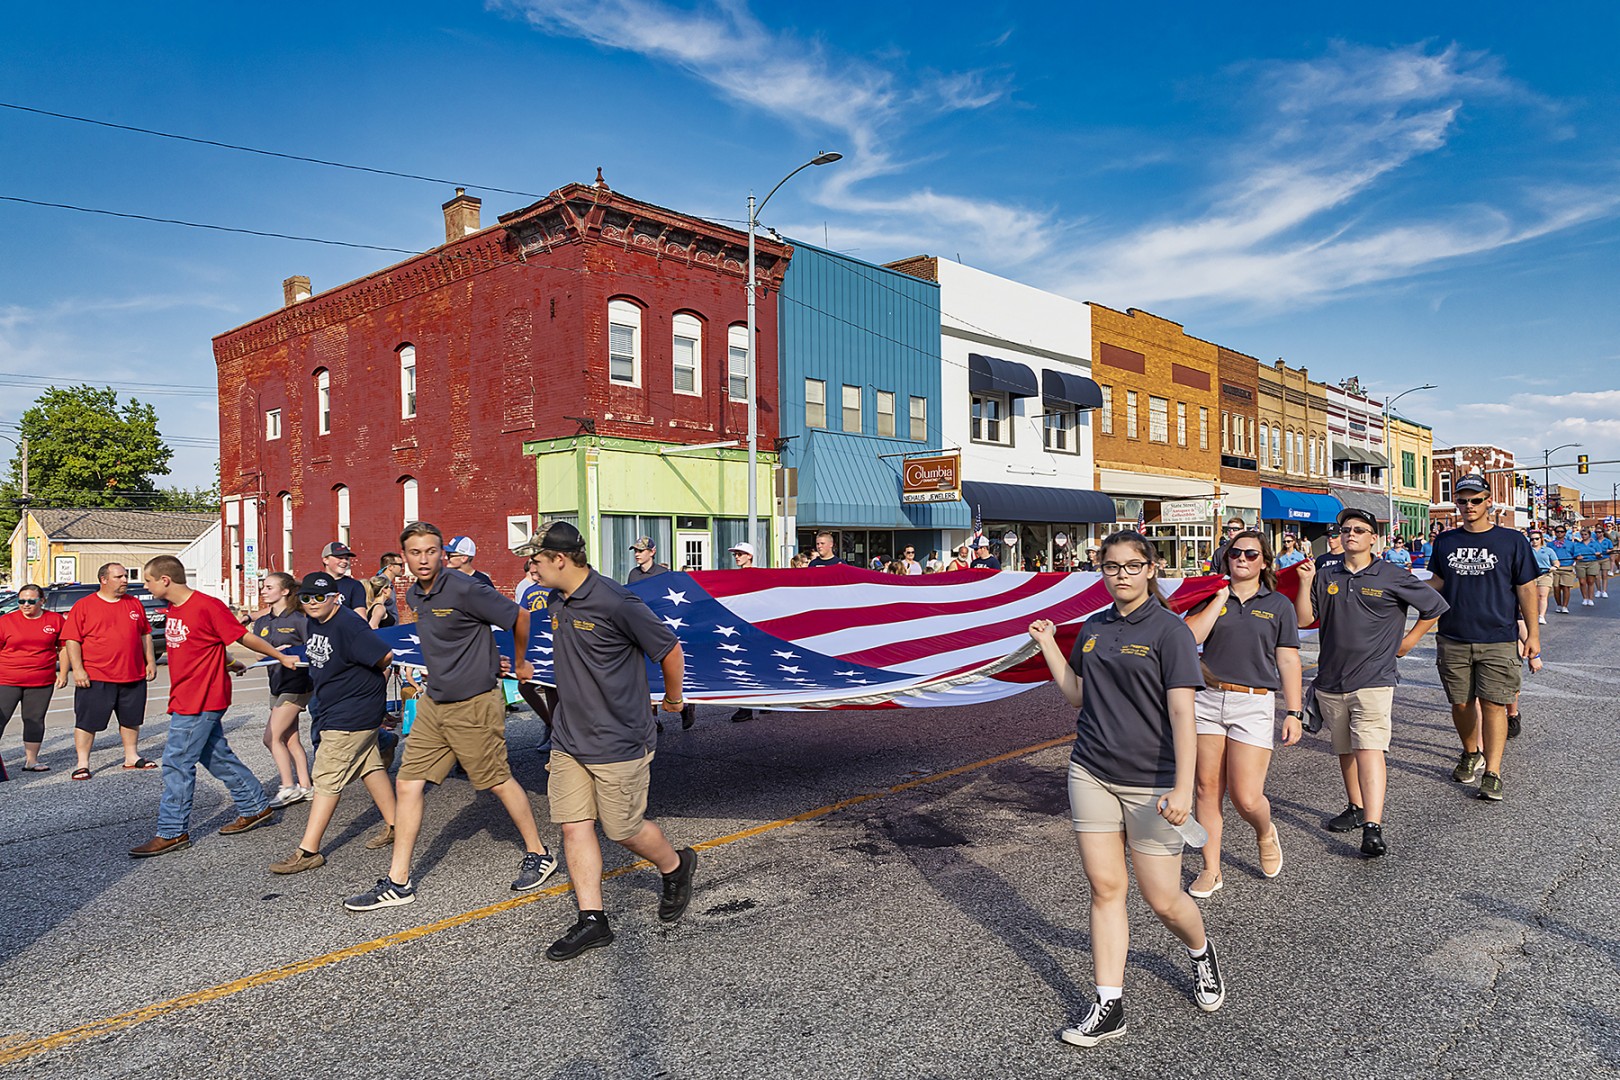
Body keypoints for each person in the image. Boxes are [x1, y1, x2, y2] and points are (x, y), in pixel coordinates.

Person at [1028, 530, 1224, 1048]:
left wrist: (1184, 789)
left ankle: (1201, 953)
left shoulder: (1170, 631)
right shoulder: (1094, 627)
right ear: (1102, 570)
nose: (1121, 575)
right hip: (1090, 770)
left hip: (1153, 782)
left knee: (1163, 900)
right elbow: (1077, 696)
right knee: (1106, 889)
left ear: (1151, 569)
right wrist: (1049, 646)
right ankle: (1109, 1002)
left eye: (1132, 566)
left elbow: (1184, 714)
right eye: (1112, 566)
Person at [344, 521, 559, 911]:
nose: (423, 559)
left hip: (473, 703)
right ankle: (398, 881)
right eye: (415, 552)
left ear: (442, 554)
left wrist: (521, 663)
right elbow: (448, 638)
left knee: (496, 780)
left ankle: (539, 853)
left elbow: (519, 618)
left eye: (430, 551)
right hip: (434, 704)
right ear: (404, 557)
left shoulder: (465, 587)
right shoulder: (413, 595)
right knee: (408, 785)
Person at [529, 521, 697, 961]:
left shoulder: (616, 601)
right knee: (573, 825)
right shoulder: (554, 599)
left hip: (619, 738)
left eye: (537, 560)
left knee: (622, 828)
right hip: (569, 737)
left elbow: (669, 649)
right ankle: (593, 920)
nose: (532, 568)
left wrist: (674, 700)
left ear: (560, 559)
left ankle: (675, 866)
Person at [1292, 508, 1448, 857]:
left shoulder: (1391, 574)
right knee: (1345, 748)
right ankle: (1355, 806)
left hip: (1374, 678)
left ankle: (1373, 827)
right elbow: (1305, 619)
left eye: (1360, 530)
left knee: (1369, 748)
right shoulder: (1325, 572)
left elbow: (1434, 606)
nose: (1352, 535)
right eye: (1346, 530)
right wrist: (1305, 583)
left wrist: (1408, 642)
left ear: (1373, 538)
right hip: (1331, 677)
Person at [129, 557, 302, 858]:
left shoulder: (207, 605)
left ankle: (172, 832)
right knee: (216, 756)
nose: (146, 586)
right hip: (186, 694)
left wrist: (281, 656)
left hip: (201, 697)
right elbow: (206, 645)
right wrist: (231, 663)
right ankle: (256, 806)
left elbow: (243, 636)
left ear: (165, 580)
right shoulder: (175, 609)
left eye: (148, 580)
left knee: (176, 763)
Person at [1180, 530, 1303, 897]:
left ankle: (1264, 831)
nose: (1242, 559)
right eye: (1236, 553)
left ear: (1264, 561)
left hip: (1253, 703)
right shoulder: (1209, 598)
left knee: (1246, 797)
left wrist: (1294, 711)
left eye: (1251, 554)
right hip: (1207, 700)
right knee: (1206, 788)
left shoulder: (1279, 604)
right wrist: (1218, 599)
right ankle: (1211, 869)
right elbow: (1189, 639)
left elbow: (1288, 659)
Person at [269, 572, 399, 874]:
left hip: (352, 713)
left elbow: (385, 656)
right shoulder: (315, 620)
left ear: (334, 598)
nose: (313, 603)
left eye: (320, 597)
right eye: (306, 598)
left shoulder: (348, 624)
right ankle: (396, 824)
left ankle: (308, 851)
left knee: (326, 777)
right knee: (370, 765)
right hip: (334, 708)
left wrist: (365, 693)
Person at [1426, 474, 1542, 802]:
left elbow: (1526, 588)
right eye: (1462, 500)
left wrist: (1532, 634)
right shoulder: (1446, 541)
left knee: (1493, 704)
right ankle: (1470, 752)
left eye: (1475, 500)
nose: (1468, 506)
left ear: (1488, 501)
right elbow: (1437, 583)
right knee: (1460, 703)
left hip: (1499, 637)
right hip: (1453, 635)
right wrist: (1401, 589)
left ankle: (1493, 771)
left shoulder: (1511, 541)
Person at [63, 562, 158, 779]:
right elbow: (72, 640)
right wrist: (77, 669)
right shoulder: (84, 605)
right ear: (104, 580)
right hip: (96, 675)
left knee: (131, 718)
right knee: (87, 721)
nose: (125, 580)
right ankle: (82, 763)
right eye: (119, 577)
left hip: (132, 674)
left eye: (125, 576)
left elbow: (145, 634)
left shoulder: (134, 604)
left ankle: (131, 757)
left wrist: (150, 660)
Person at [252, 573, 314, 808]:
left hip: (297, 684)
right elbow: (258, 654)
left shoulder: (299, 619)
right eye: (263, 587)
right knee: (289, 739)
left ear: (285, 591)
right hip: (276, 683)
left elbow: (313, 648)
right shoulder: (263, 621)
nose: (264, 591)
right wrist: (276, 651)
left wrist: (294, 651)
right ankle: (306, 787)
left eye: (269, 587)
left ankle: (288, 786)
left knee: (270, 738)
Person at [0, 584, 69, 774]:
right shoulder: (6, 621)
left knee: (34, 719)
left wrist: (63, 673)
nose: (26, 605)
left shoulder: (55, 620)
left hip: (41, 680)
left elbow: (63, 648)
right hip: (7, 679)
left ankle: (31, 760)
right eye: (21, 601)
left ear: (42, 601)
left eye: (31, 601)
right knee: (1, 718)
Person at [319, 542, 369, 612]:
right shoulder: (314, 582)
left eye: (346, 558)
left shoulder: (354, 585)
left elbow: (360, 616)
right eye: (340, 558)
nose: (344, 561)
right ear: (325, 560)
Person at [366, 553, 405, 629]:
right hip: (384, 631)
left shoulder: (388, 584)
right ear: (390, 567)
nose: (402, 568)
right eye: (400, 565)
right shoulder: (380, 584)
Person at [1527, 530, 1556, 624]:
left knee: (1542, 596)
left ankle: (1541, 616)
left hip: (1545, 574)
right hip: (1531, 574)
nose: (1534, 541)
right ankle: (1531, 614)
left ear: (1541, 539)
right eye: (1532, 539)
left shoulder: (1548, 550)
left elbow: (1556, 561)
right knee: (1531, 596)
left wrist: (1554, 567)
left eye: (1537, 539)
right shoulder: (1527, 550)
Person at [1546, 525, 1577, 613]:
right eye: (1557, 532)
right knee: (1556, 587)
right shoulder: (1550, 544)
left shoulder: (1571, 544)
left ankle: (1565, 606)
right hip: (1555, 567)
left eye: (1562, 532)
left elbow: (1575, 554)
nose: (1559, 533)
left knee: (1566, 587)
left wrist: (1576, 560)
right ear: (1555, 533)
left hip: (1567, 566)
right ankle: (1559, 605)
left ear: (1565, 533)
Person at [1570, 527, 1602, 607]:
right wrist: (1577, 557)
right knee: (1582, 582)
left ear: (1589, 535)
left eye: (1585, 534)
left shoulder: (1595, 544)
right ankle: (1585, 598)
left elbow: (1600, 555)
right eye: (1582, 535)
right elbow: (1575, 555)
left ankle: (1590, 598)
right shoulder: (1577, 544)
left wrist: (1598, 554)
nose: (1584, 536)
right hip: (1581, 563)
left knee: (1590, 581)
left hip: (1592, 562)